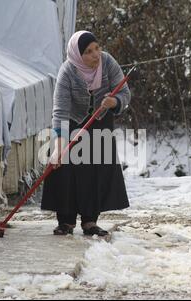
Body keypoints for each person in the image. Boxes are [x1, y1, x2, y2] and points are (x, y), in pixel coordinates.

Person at [41, 30, 131, 236]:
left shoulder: (107, 62)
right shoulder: (67, 72)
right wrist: (59, 146)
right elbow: (60, 111)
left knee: (95, 170)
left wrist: (114, 102)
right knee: (66, 169)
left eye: (97, 48)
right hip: (72, 124)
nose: (96, 54)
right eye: (88, 52)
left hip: (100, 123)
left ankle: (90, 221)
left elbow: (125, 93)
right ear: (77, 55)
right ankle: (66, 221)